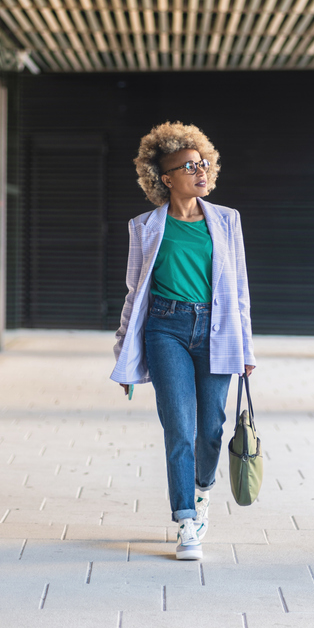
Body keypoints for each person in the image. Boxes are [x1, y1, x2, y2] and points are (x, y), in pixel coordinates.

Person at [111, 122, 256, 562]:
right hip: (165, 328)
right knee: (180, 427)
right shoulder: (145, 226)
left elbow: (240, 290)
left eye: (204, 163)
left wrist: (246, 347)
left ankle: (203, 489)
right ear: (165, 177)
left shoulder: (227, 220)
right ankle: (186, 520)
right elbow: (135, 292)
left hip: (217, 330)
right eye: (189, 166)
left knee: (211, 428)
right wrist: (125, 355)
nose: (201, 171)